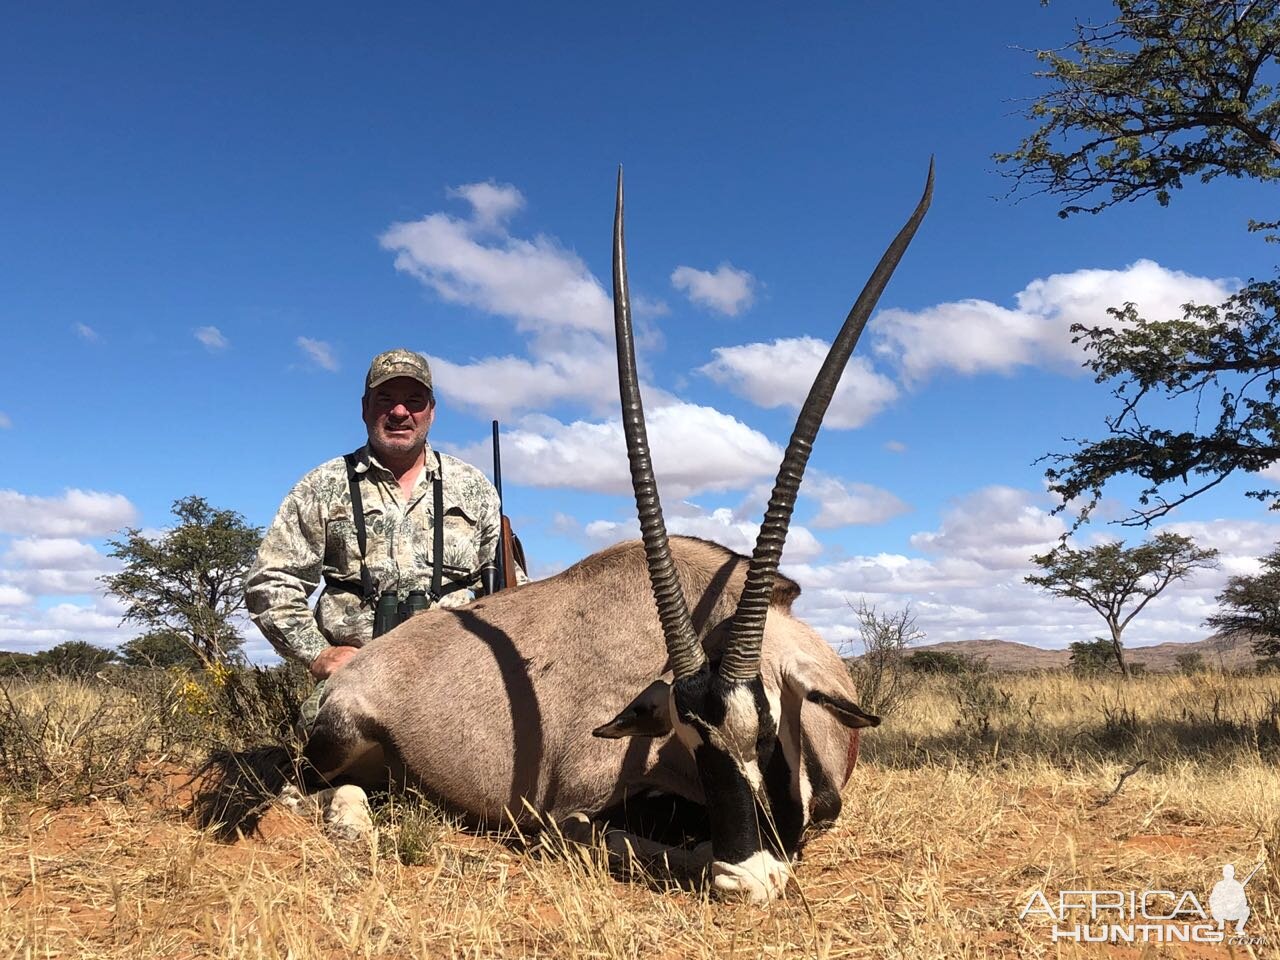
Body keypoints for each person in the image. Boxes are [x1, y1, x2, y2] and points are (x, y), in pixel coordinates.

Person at [245, 348, 523, 724]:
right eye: (386, 399)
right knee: (324, 738)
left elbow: (516, 593)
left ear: (432, 410)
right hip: (359, 678)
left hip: (460, 679)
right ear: (365, 407)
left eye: (414, 401)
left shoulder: (474, 487)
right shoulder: (324, 485)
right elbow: (271, 582)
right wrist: (318, 654)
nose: (399, 412)